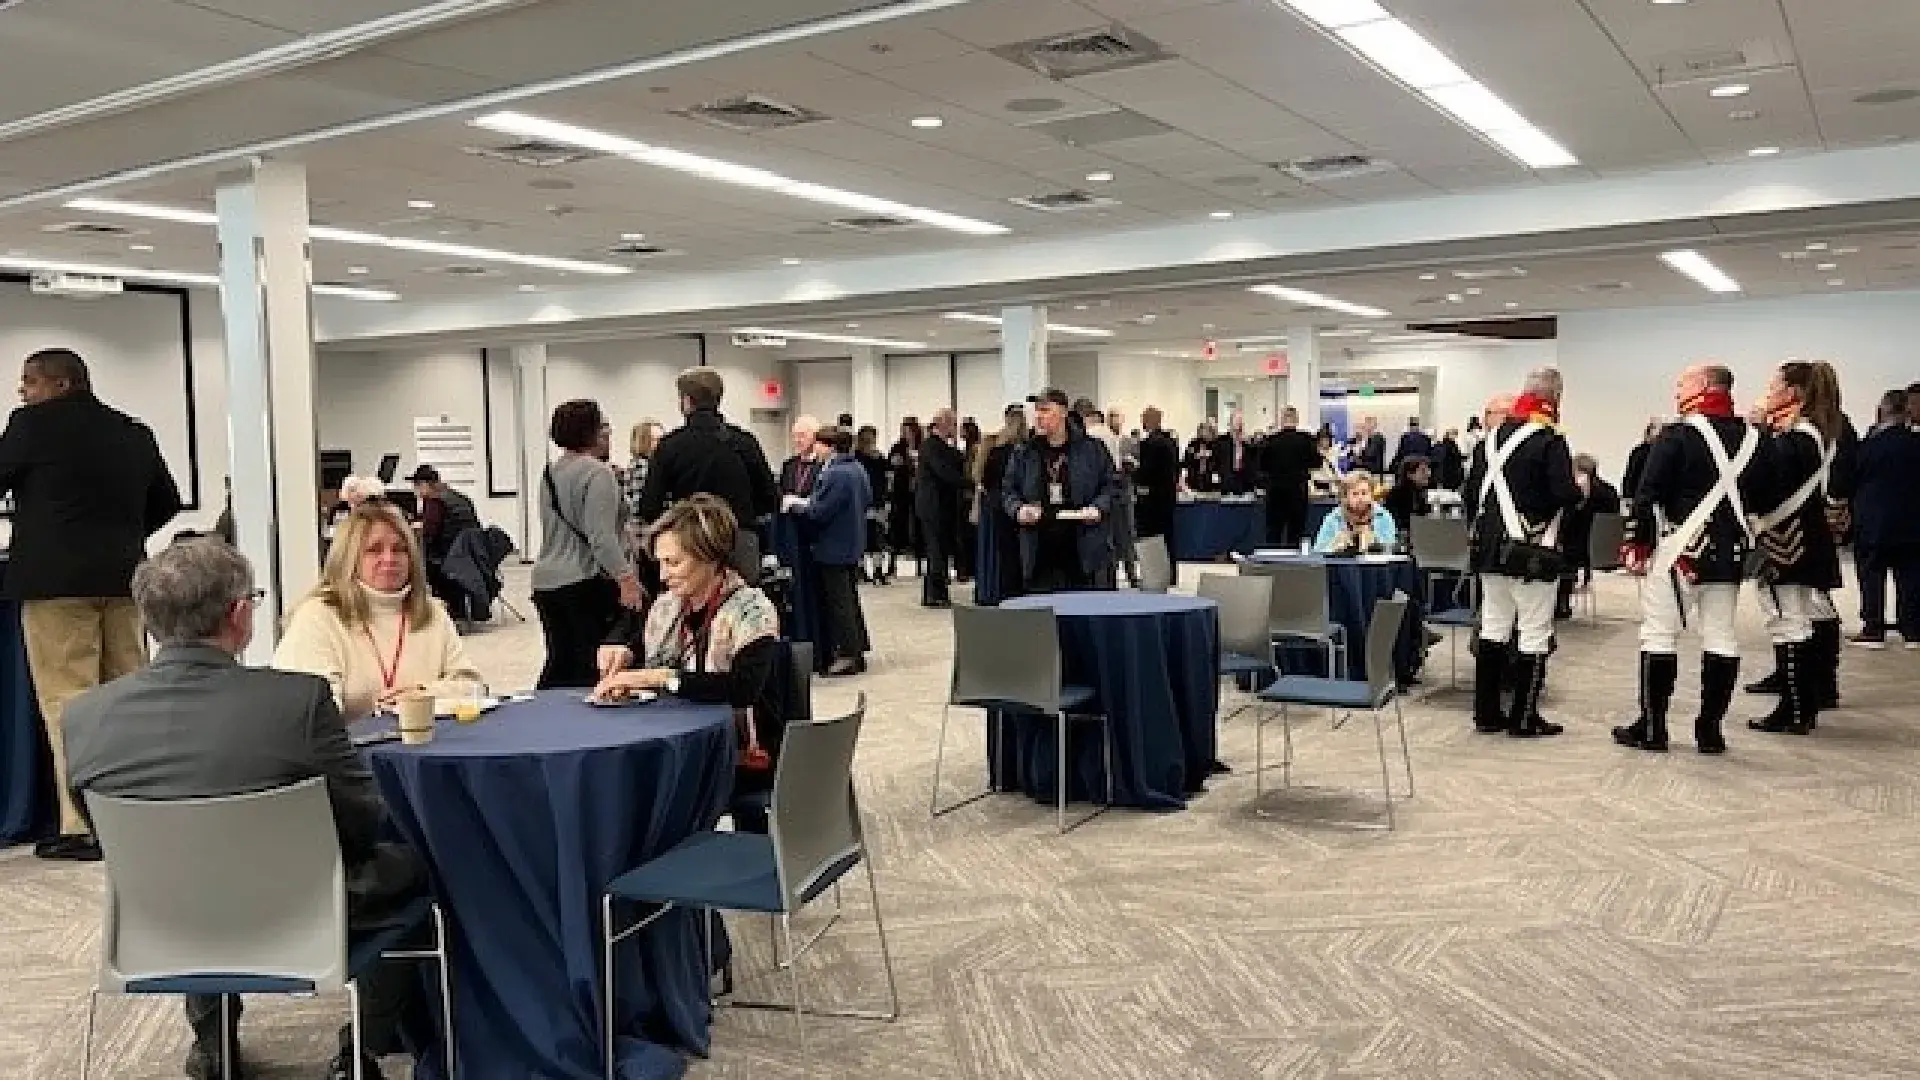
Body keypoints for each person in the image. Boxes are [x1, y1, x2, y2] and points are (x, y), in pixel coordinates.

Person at [63, 539, 428, 1080]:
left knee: (193, 870)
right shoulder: (296, 703)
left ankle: (212, 1043)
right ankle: (363, 1048)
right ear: (238, 615)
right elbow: (361, 821)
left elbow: (99, 827)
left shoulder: (83, 715)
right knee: (418, 866)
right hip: (298, 917)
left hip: (160, 921)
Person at [0, 347, 182, 861]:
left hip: (54, 585)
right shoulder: (131, 430)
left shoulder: (31, 425)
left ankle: (83, 823)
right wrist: (119, 537)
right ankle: (136, 806)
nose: (22, 392)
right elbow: (166, 500)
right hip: (125, 579)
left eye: (29, 381)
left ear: (61, 384)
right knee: (128, 694)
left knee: (70, 703)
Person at [594, 496, 785, 828]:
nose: (663, 575)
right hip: (679, 743)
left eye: (674, 563)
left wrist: (655, 678)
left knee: (640, 790)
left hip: (739, 754)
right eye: (660, 563)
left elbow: (742, 690)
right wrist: (623, 652)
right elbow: (646, 651)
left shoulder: (752, 610)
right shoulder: (668, 607)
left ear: (710, 557)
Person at [1613, 364, 1768, 755]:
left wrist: (1638, 545)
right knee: (1721, 635)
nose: (1677, 388)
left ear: (1702, 386)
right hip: (1729, 554)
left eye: (1682, 382)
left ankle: (1653, 727)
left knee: (1659, 634)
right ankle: (1710, 731)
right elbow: (1761, 495)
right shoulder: (1754, 438)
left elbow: (1646, 494)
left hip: (1681, 550)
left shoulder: (1678, 435)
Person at [275, 499, 486, 721]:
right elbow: (310, 714)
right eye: (374, 550)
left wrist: (423, 694)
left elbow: (472, 688)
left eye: (400, 549)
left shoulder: (432, 613)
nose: (389, 559)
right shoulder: (317, 617)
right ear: (349, 559)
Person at [1469, 369, 1580, 738]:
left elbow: (1473, 496)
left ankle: (1485, 713)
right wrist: (1579, 491)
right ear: (1556, 399)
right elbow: (1562, 493)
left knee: (1493, 627)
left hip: (1489, 549)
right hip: (1532, 552)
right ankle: (1523, 716)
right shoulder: (1550, 440)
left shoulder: (1489, 441)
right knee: (1533, 631)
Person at [1746, 361, 1845, 736]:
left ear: (1794, 393)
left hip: (1790, 540)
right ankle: (1800, 703)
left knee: (1789, 622)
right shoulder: (1810, 432)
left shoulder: (1799, 437)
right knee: (1796, 619)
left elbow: (1766, 481)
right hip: (1802, 536)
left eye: (1774, 386)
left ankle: (1795, 708)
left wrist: (1755, 434)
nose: (1768, 392)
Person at [533, 399, 643, 689]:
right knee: (588, 664)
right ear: (593, 432)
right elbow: (601, 538)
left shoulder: (548, 474)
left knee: (559, 659)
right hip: (583, 580)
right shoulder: (599, 473)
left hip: (545, 581)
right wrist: (627, 579)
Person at [637, 367, 779, 546]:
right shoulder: (745, 443)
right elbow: (770, 499)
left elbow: (650, 508)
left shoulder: (669, 446)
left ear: (686, 401)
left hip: (693, 540)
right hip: (739, 539)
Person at [1003, 388, 1117, 593]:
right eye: (1037, 410)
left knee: (1082, 611)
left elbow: (1112, 486)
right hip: (1038, 547)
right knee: (1041, 615)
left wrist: (1098, 508)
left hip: (1082, 546)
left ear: (1063, 412)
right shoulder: (1024, 453)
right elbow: (1008, 490)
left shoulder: (1091, 449)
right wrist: (1018, 509)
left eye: (1046, 410)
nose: (1039, 416)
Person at [783, 426, 872, 676]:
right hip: (852, 543)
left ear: (829, 447)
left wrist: (795, 505)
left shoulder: (835, 474)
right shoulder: (857, 469)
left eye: (819, 445)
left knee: (839, 604)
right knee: (850, 601)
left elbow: (819, 511)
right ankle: (856, 651)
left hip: (832, 546)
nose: (815, 449)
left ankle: (847, 655)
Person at [1849, 389, 1920, 648]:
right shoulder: (1916, 444)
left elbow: (1852, 476)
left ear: (1884, 410)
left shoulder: (1869, 445)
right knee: (1911, 577)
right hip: (1912, 523)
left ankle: (1873, 628)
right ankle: (1913, 631)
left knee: (1871, 575)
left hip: (1873, 522)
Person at [1555, 453, 1622, 620]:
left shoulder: (1576, 494)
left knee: (1558, 549)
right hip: (1605, 553)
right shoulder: (1610, 493)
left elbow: (1566, 523)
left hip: (1578, 552)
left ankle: (1560, 601)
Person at [915, 408, 968, 608]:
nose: (955, 429)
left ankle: (935, 592)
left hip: (940, 505)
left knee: (940, 549)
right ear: (943, 424)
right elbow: (944, 472)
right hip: (932, 505)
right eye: (953, 424)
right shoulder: (931, 446)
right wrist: (969, 483)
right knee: (936, 550)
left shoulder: (941, 446)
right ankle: (935, 594)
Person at [1260, 406, 1321, 547]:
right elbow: (1316, 462)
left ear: (1281, 420)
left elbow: (1262, 465)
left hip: (1275, 492)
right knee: (1296, 531)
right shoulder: (1307, 440)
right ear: (1297, 420)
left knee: (1274, 530)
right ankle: (1292, 563)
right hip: (1298, 491)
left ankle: (1272, 560)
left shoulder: (1270, 440)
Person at [1133, 406, 1181, 582]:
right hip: (1168, 497)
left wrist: (1133, 472)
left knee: (1151, 539)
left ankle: (1154, 575)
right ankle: (1171, 574)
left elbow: (1146, 471)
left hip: (1151, 499)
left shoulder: (1149, 444)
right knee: (1168, 536)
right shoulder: (1170, 441)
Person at [407, 464, 480, 567]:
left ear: (425, 484)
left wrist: (412, 528)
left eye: (416, 485)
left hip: (445, 556)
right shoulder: (461, 497)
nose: (415, 490)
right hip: (469, 553)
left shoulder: (434, 500)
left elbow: (429, 533)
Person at [1315, 470, 1397, 554]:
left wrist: (1374, 544)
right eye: (1355, 494)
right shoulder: (1333, 517)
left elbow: (1391, 549)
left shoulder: (1383, 516)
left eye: (1364, 493)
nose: (1360, 498)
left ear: (1371, 495)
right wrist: (1334, 547)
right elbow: (1318, 551)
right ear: (1346, 497)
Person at [854, 425, 893, 585]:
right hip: (866, 503)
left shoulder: (878, 458)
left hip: (875, 503)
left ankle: (875, 571)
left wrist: (887, 500)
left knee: (875, 538)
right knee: (867, 539)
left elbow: (888, 480)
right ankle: (864, 571)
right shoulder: (858, 458)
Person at [886, 417, 923, 578]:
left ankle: (920, 563)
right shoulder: (897, 447)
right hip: (900, 493)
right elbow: (890, 466)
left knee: (918, 527)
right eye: (903, 431)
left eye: (908, 431)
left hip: (918, 493)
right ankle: (892, 564)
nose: (905, 434)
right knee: (898, 525)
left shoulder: (923, 446)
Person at [957, 417, 984, 583]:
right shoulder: (968, 449)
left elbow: (972, 474)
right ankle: (967, 568)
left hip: (970, 497)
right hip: (968, 496)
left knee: (967, 535)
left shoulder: (974, 450)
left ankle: (967, 569)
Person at [1381, 455, 1432, 533]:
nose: (1428, 474)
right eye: (1423, 471)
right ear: (1409, 474)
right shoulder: (1396, 495)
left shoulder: (1420, 492)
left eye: (1428, 470)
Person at [1212, 412, 1259, 495]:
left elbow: (1253, 463)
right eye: (1237, 423)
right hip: (1226, 481)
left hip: (1244, 483)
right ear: (1230, 425)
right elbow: (1216, 462)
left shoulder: (1248, 444)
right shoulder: (1221, 442)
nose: (1239, 426)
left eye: (1241, 423)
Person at [1621, 418, 1664, 505]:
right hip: (1640, 498)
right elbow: (1630, 475)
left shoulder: (1663, 451)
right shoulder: (1641, 451)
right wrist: (1628, 497)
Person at [779, 414, 822, 497]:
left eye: (802, 435)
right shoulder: (788, 465)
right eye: (795, 436)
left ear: (815, 437)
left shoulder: (823, 465)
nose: (797, 440)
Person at [1182, 422, 1219, 492]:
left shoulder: (1214, 445)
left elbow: (1219, 462)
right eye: (1202, 430)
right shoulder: (1192, 444)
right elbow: (1185, 462)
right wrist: (1196, 455)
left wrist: (1211, 455)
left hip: (1210, 480)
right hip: (1194, 478)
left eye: (1208, 431)